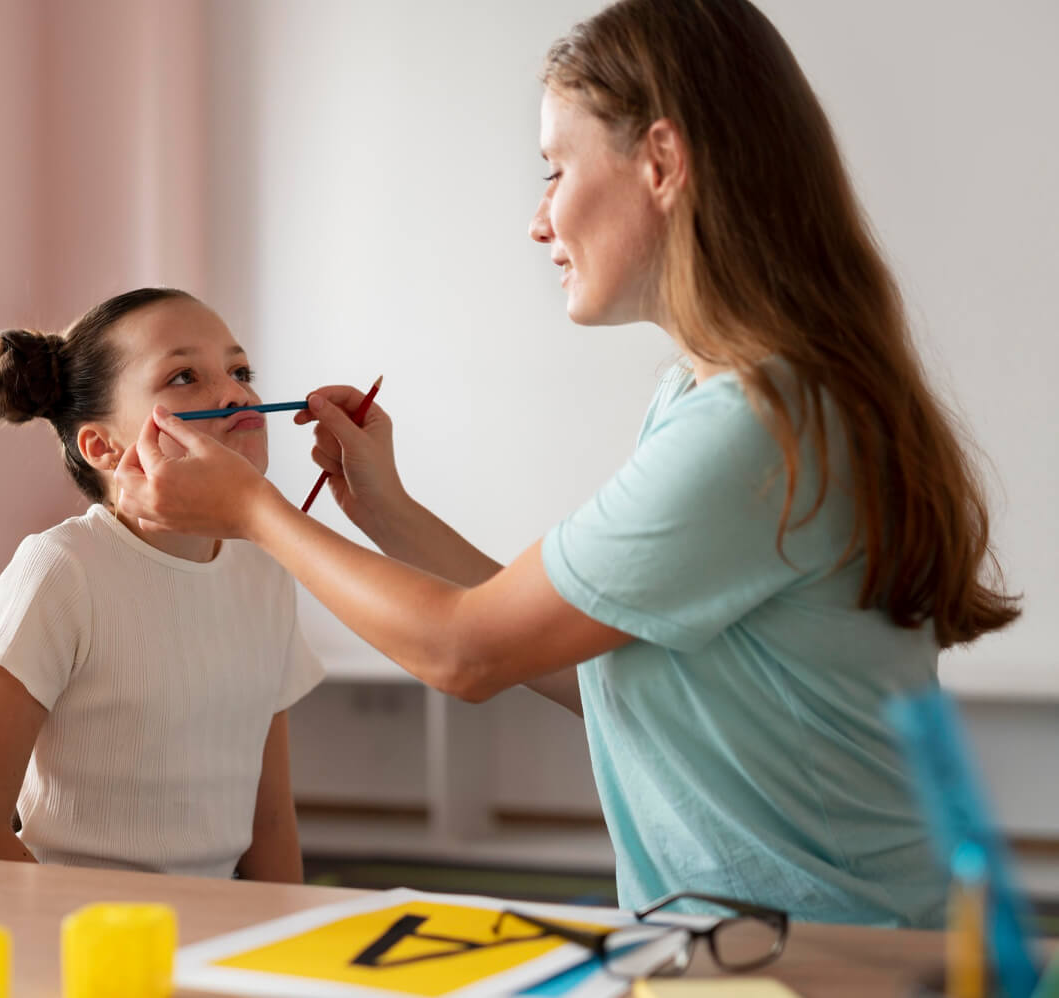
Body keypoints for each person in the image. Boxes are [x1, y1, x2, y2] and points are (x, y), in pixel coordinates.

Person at [111, 0, 1021, 926]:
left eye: (555, 170)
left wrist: (257, 512)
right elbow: (556, 653)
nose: (539, 222)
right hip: (767, 954)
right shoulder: (717, 399)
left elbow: (464, 652)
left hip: (835, 963)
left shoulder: (754, 429)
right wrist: (387, 513)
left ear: (661, 163)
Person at [0, 287, 323, 882]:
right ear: (101, 447)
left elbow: (269, 824)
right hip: (84, 943)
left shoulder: (266, 569)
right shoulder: (60, 570)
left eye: (241, 370)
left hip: (214, 938)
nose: (237, 392)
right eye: (185, 375)